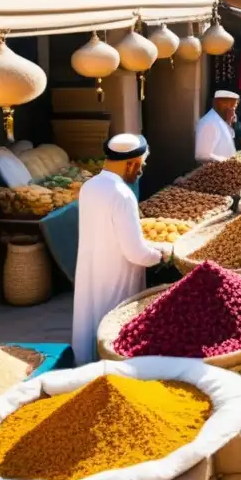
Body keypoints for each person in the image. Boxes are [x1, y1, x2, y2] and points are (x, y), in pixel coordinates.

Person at [72, 134, 164, 364]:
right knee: (113, 332)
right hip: (117, 277)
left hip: (92, 271)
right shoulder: (122, 194)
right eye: (140, 166)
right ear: (131, 163)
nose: (140, 172)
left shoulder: (89, 186)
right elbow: (136, 253)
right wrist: (161, 255)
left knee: (90, 320)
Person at [195, 90, 238, 163]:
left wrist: (229, 121)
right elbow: (202, 155)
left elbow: (228, 137)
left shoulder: (220, 119)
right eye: (233, 106)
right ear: (224, 104)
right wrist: (227, 161)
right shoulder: (210, 123)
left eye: (234, 107)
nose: (234, 111)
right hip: (213, 171)